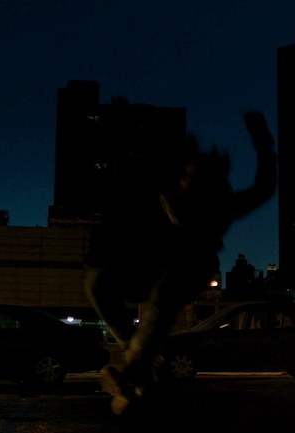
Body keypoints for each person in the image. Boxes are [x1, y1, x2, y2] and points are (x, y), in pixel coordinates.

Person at [84, 110, 277, 415]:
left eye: (192, 179)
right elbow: (133, 178)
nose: (185, 183)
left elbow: (264, 187)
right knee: (98, 280)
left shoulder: (222, 206)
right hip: (149, 269)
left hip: (187, 273)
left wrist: (262, 141)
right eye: (184, 176)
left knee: (167, 291)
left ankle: (136, 370)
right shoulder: (165, 193)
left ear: (207, 185)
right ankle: (136, 355)